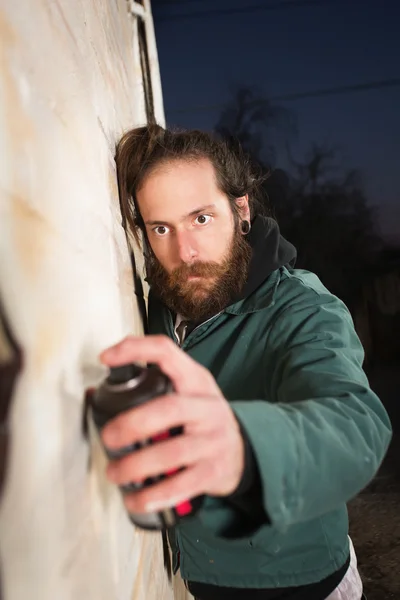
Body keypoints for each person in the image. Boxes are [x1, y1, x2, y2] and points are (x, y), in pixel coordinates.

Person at [99, 124, 392, 600]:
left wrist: (248, 449)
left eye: (200, 219)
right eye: (161, 228)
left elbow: (355, 425)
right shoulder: (163, 306)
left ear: (241, 210)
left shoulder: (302, 307)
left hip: (304, 586)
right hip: (200, 582)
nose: (185, 252)